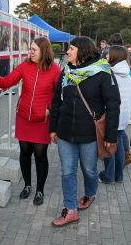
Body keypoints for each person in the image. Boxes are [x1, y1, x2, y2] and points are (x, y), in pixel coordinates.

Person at [0, 37, 61, 206]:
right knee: (24, 152)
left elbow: (58, 95)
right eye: (30, 49)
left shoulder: (54, 70)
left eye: (34, 50)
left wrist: (50, 110)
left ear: (44, 51)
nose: (30, 52)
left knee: (40, 154)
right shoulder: (24, 66)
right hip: (24, 117)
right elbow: (8, 81)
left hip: (42, 120)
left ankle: (40, 189)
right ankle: (27, 186)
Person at [50, 36, 120, 226]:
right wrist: (53, 128)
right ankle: (70, 209)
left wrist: (110, 135)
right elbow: (57, 101)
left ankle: (90, 193)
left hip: (89, 133)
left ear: (82, 51)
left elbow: (113, 105)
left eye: (71, 49)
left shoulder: (103, 72)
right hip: (65, 131)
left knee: (89, 170)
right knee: (67, 172)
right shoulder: (66, 71)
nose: (67, 52)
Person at [98, 46, 131, 184]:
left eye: (108, 55)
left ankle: (108, 175)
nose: (106, 57)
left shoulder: (110, 74)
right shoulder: (126, 73)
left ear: (114, 56)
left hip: (113, 115)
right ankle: (118, 175)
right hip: (123, 115)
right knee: (118, 145)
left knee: (109, 145)